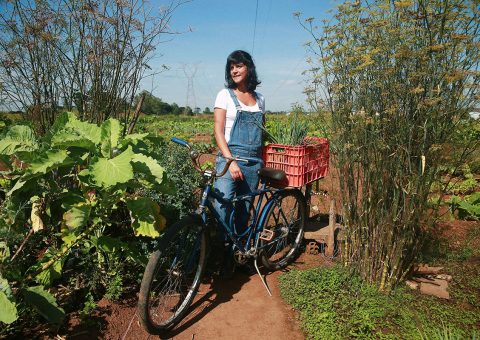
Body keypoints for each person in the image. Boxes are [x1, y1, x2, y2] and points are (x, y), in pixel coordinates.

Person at [213, 50, 265, 276]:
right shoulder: (224, 95)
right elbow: (218, 130)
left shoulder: (260, 98)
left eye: (239, 66)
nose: (234, 70)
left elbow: (260, 134)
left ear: (248, 68)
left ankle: (238, 257)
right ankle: (218, 256)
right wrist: (230, 161)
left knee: (244, 212)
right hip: (229, 159)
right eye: (231, 67)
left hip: (253, 161)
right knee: (221, 208)